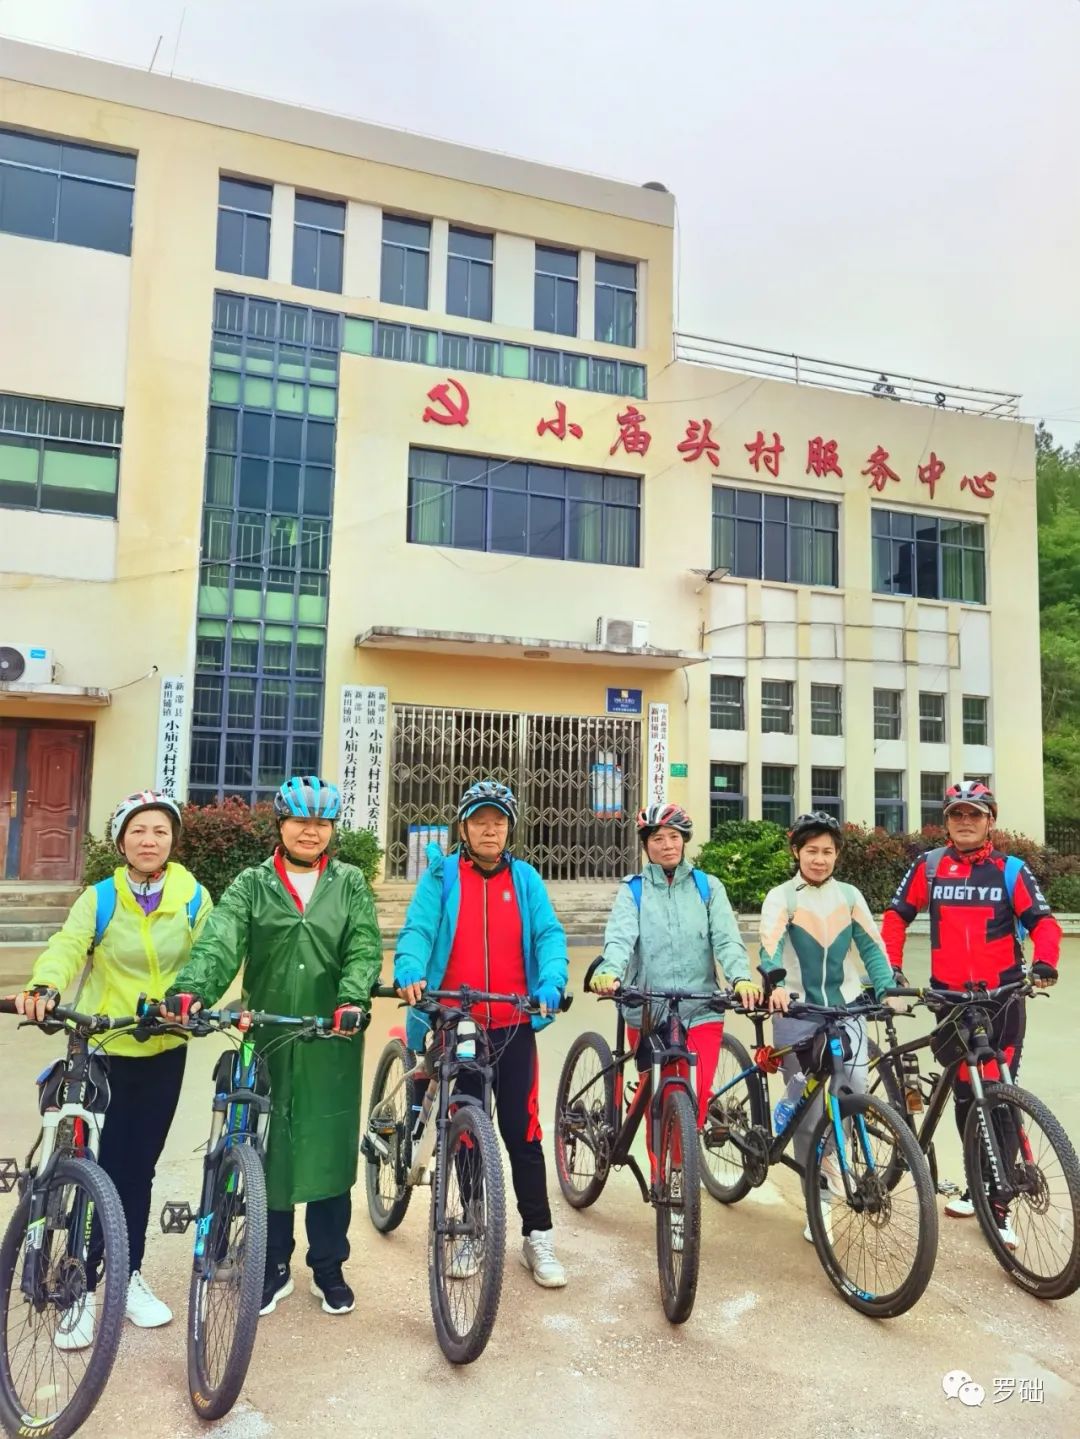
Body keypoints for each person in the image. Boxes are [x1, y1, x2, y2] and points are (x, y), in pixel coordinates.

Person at [166, 775, 382, 1318]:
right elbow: (221, 941)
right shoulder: (252, 884)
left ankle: (329, 1265)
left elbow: (363, 945)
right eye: (301, 821)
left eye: (322, 823)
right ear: (281, 825)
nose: (311, 831)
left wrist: (353, 997)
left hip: (332, 1037)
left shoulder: (350, 882)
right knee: (271, 1150)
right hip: (265, 1034)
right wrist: (194, 988)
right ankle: (273, 1263)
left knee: (330, 1150)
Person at [14, 788, 212, 1345]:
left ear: (173, 841)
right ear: (121, 840)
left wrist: (194, 1000)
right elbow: (68, 944)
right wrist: (46, 984)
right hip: (100, 1047)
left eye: (160, 832)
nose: (150, 841)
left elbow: (210, 956)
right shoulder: (100, 898)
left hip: (162, 1050)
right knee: (86, 1167)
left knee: (135, 1172)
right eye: (139, 831)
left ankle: (126, 1276)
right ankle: (78, 1285)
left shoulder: (193, 897)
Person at [394, 779, 570, 1288]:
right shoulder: (442, 876)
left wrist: (552, 981)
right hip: (459, 1019)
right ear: (464, 829)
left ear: (510, 828)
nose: (490, 830)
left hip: (514, 1018)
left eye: (498, 821)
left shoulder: (528, 879)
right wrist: (409, 967)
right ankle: (470, 1227)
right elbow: (419, 929)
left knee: (523, 1131)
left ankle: (537, 1236)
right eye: (480, 821)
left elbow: (549, 935)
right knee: (467, 1129)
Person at [882, 780, 1061, 1243]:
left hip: (1001, 1000)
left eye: (975, 814)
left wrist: (1045, 962)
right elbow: (896, 917)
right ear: (946, 821)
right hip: (949, 1002)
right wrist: (893, 969)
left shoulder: (1010, 869)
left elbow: (1043, 923)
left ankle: (999, 1204)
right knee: (966, 1096)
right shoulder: (930, 866)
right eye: (957, 813)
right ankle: (976, 1185)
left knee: (997, 1095)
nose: (965, 821)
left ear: (990, 821)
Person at [759, 811, 902, 1241]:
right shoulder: (782, 897)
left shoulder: (850, 896)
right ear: (796, 853)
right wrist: (775, 985)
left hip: (845, 1009)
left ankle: (844, 1168)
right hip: (798, 1012)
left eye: (827, 851)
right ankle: (816, 1196)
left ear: (837, 854)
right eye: (811, 851)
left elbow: (872, 949)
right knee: (807, 1112)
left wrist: (886, 988)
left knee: (853, 1089)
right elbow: (770, 948)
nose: (819, 859)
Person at [590, 803, 760, 1136]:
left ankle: (681, 1174)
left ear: (684, 841)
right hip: (647, 1010)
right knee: (660, 1102)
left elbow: (727, 940)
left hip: (701, 1009)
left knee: (690, 1103)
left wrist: (740, 978)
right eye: (657, 838)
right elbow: (620, 938)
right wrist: (610, 972)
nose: (667, 845)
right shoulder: (633, 890)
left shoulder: (708, 887)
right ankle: (661, 1184)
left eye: (674, 837)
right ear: (645, 844)